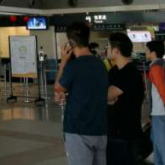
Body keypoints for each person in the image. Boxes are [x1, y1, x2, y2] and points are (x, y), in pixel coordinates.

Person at [55, 23, 108, 165]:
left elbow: (58, 87)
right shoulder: (100, 65)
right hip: (100, 129)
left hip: (78, 129)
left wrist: (63, 61)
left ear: (71, 43)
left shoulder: (73, 66)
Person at [105, 33, 144, 165]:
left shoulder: (130, 73)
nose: (106, 50)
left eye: (108, 47)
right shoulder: (114, 71)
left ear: (116, 50)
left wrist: (108, 98)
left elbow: (106, 95)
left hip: (126, 133)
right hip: (112, 131)